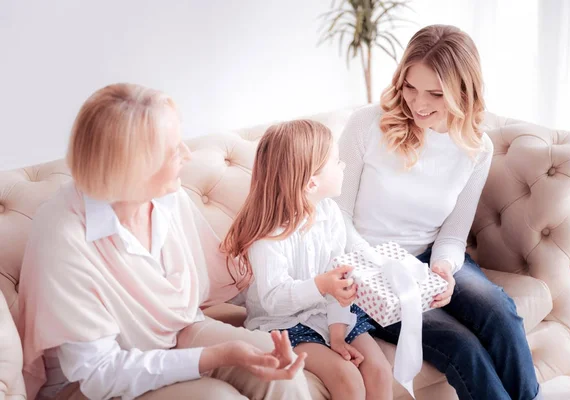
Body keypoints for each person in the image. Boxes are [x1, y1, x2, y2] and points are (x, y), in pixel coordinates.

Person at [17, 83, 310, 400]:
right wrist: (218, 355)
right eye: (173, 150)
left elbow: (220, 278)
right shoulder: (64, 238)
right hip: (93, 383)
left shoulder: (169, 199)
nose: (187, 154)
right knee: (217, 397)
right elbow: (99, 374)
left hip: (177, 333)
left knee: (279, 368)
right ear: (133, 166)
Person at [335, 25, 541, 400]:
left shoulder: (477, 148)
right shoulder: (366, 125)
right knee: (462, 346)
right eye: (410, 87)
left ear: (464, 91)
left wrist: (444, 269)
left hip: (429, 259)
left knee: (500, 313)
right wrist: (384, 269)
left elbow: (451, 233)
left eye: (435, 93)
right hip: (366, 266)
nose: (418, 103)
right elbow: (337, 219)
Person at [221, 120, 393, 400]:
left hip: (329, 315)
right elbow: (273, 299)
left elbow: (340, 283)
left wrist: (337, 334)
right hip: (281, 324)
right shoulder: (268, 235)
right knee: (348, 379)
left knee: (379, 371)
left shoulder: (331, 214)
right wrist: (320, 285)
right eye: (337, 162)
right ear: (312, 182)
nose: (344, 167)